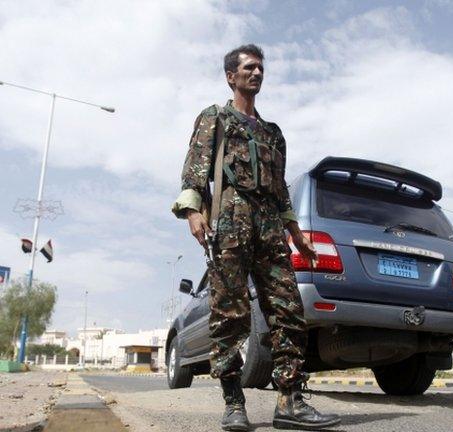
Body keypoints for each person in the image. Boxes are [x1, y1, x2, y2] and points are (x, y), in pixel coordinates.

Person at [171, 44, 341, 431]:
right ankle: (234, 403)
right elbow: (195, 168)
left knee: (289, 311)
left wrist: (296, 233)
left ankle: (290, 401)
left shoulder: (272, 133)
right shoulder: (215, 117)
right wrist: (193, 211)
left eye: (261, 68)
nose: (257, 73)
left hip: (269, 229)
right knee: (230, 315)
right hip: (230, 223)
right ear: (231, 76)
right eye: (249, 68)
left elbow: (280, 189)